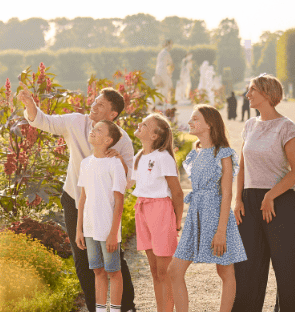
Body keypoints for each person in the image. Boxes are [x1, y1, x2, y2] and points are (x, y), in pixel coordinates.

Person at [18, 87, 138, 312]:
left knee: (114, 256)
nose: (94, 105)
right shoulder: (75, 122)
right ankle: (96, 308)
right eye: (95, 100)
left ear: (113, 115)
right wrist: (29, 104)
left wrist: (119, 159)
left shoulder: (122, 140)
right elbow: (44, 121)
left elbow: (129, 178)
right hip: (75, 198)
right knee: (82, 260)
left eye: (101, 105)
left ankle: (126, 307)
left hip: (104, 206)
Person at [232, 75, 295, 312]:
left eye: (252, 89)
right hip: (250, 201)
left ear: (266, 93)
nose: (247, 94)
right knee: (247, 268)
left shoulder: (286, 126)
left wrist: (271, 196)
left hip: (281, 201)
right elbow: (242, 166)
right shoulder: (249, 125)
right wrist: (238, 199)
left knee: (283, 268)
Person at [169, 105, 247, 312]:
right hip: (195, 215)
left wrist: (221, 231)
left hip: (217, 216)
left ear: (209, 124)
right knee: (175, 271)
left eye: (195, 119)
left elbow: (227, 194)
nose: (190, 122)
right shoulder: (195, 153)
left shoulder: (223, 153)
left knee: (225, 271)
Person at [132, 113, 184, 312]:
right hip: (142, 210)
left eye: (144, 124)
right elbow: (130, 181)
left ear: (154, 136)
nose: (139, 124)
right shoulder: (139, 156)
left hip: (160, 211)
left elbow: (177, 193)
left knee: (165, 271)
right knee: (154, 271)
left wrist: (176, 222)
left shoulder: (163, 158)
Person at [76, 120, 128, 312]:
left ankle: (114, 309)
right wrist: (79, 229)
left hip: (108, 229)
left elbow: (119, 201)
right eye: (93, 128)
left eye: (99, 130)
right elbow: (83, 199)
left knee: (113, 271)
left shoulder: (114, 164)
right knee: (97, 270)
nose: (93, 131)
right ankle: (99, 310)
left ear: (108, 139)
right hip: (90, 229)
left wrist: (114, 233)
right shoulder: (85, 163)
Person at [153, 40, 175, 106]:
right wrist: (170, 72)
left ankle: (159, 102)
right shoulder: (166, 53)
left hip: (159, 71)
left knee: (161, 87)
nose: (171, 46)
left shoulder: (161, 53)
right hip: (163, 71)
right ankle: (163, 102)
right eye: (171, 44)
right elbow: (171, 64)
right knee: (166, 86)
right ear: (168, 45)